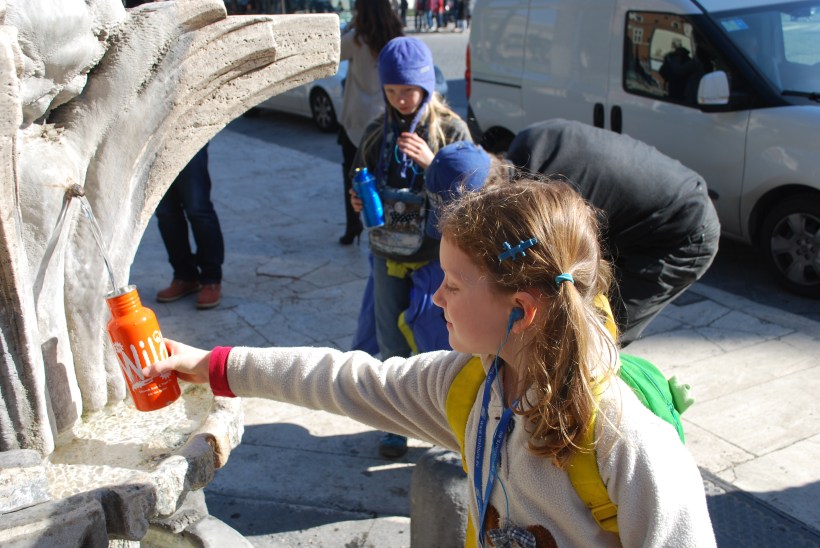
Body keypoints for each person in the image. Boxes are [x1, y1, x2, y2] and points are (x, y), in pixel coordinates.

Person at [144, 179, 716, 547]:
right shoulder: (467, 386)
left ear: (520, 309)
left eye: (452, 284)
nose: (437, 298)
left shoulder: (626, 439)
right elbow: (344, 379)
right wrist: (213, 365)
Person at [351, 36, 471, 457]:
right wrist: (357, 199)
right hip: (387, 253)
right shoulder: (374, 133)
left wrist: (430, 163)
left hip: (435, 258)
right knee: (391, 343)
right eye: (392, 91)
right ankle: (393, 423)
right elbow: (358, 177)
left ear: (426, 86)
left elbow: (469, 193)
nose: (402, 100)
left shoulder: (450, 129)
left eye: (410, 91)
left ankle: (448, 419)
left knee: (443, 341)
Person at [505, 119, 720, 345]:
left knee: (595, 335)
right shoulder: (528, 141)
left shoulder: (556, 211)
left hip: (682, 232)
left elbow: (551, 277)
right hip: (637, 214)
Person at [337, 0, 404, 245]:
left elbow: (335, 52)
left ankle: (353, 225)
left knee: (353, 175)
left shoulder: (355, 39)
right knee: (387, 173)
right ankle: (387, 222)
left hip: (356, 119)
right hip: (385, 117)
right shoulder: (394, 36)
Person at [155, 144, 225, 310]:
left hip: (187, 137)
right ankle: (184, 276)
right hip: (153, 143)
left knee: (197, 208)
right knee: (166, 212)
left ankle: (211, 279)